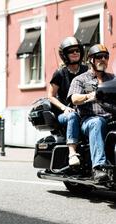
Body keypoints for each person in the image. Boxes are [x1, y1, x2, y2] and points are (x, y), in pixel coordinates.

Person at [68, 44, 116, 183]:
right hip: (89, 120)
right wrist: (90, 95)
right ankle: (98, 167)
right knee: (97, 122)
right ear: (91, 60)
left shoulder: (113, 79)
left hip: (112, 118)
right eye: (99, 57)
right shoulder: (81, 79)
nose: (103, 59)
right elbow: (74, 98)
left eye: (105, 57)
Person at [48, 37, 88, 166]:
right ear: (65, 55)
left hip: (84, 110)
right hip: (64, 114)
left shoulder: (86, 70)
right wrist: (64, 108)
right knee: (72, 116)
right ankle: (72, 152)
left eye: (77, 50)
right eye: (71, 51)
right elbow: (51, 96)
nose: (75, 53)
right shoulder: (60, 73)